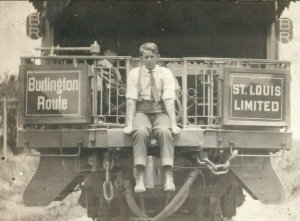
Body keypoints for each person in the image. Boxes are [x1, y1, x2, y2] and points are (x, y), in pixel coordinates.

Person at [124, 42, 181, 193]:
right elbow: (131, 100)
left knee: (165, 131)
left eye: (152, 57)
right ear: (141, 59)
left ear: (158, 57)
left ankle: (168, 177)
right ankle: (140, 179)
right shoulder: (134, 74)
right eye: (146, 57)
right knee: (141, 131)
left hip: (160, 111)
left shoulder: (165, 73)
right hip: (141, 111)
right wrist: (129, 123)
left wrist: (173, 123)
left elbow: (169, 99)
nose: (149, 60)